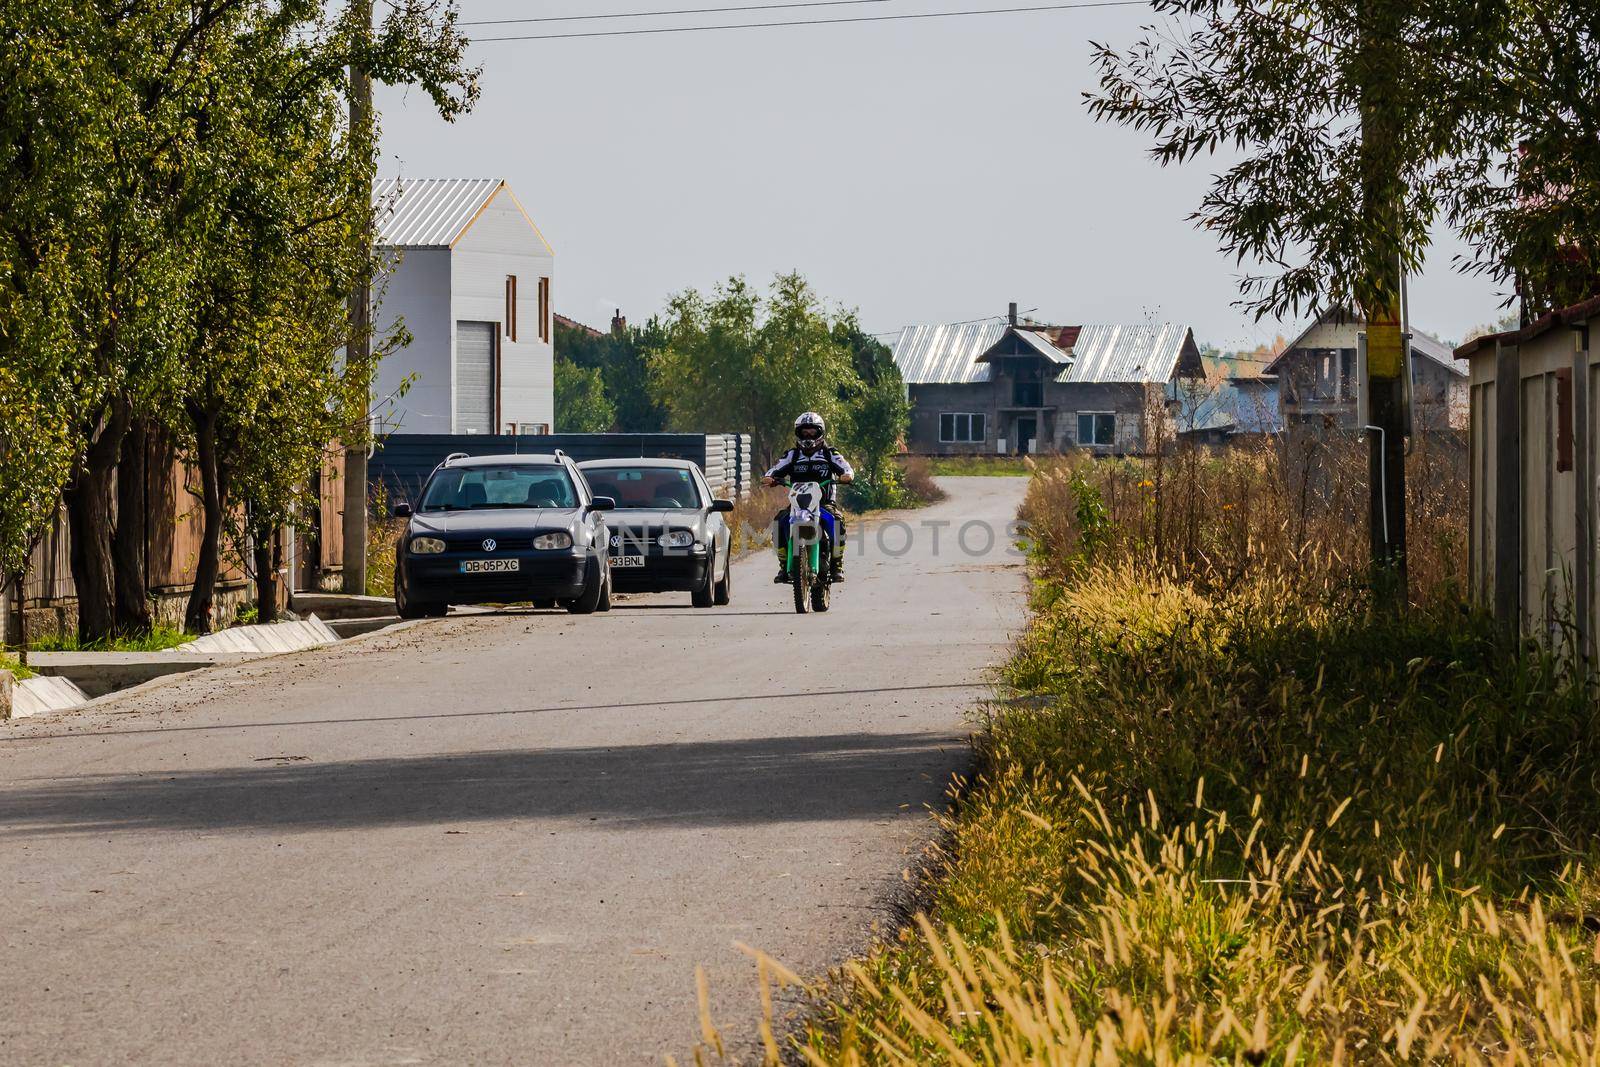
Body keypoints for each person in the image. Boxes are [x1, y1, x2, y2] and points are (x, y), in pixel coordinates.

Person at [763, 412, 855, 583]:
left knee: (837, 520)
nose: (808, 435)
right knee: (778, 522)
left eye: (812, 432)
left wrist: (847, 476)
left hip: (824, 503)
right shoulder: (792, 455)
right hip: (797, 505)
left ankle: (837, 565)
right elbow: (775, 469)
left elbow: (846, 468)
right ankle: (784, 565)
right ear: (798, 433)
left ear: (820, 433)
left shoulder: (830, 454)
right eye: (804, 432)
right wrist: (770, 477)